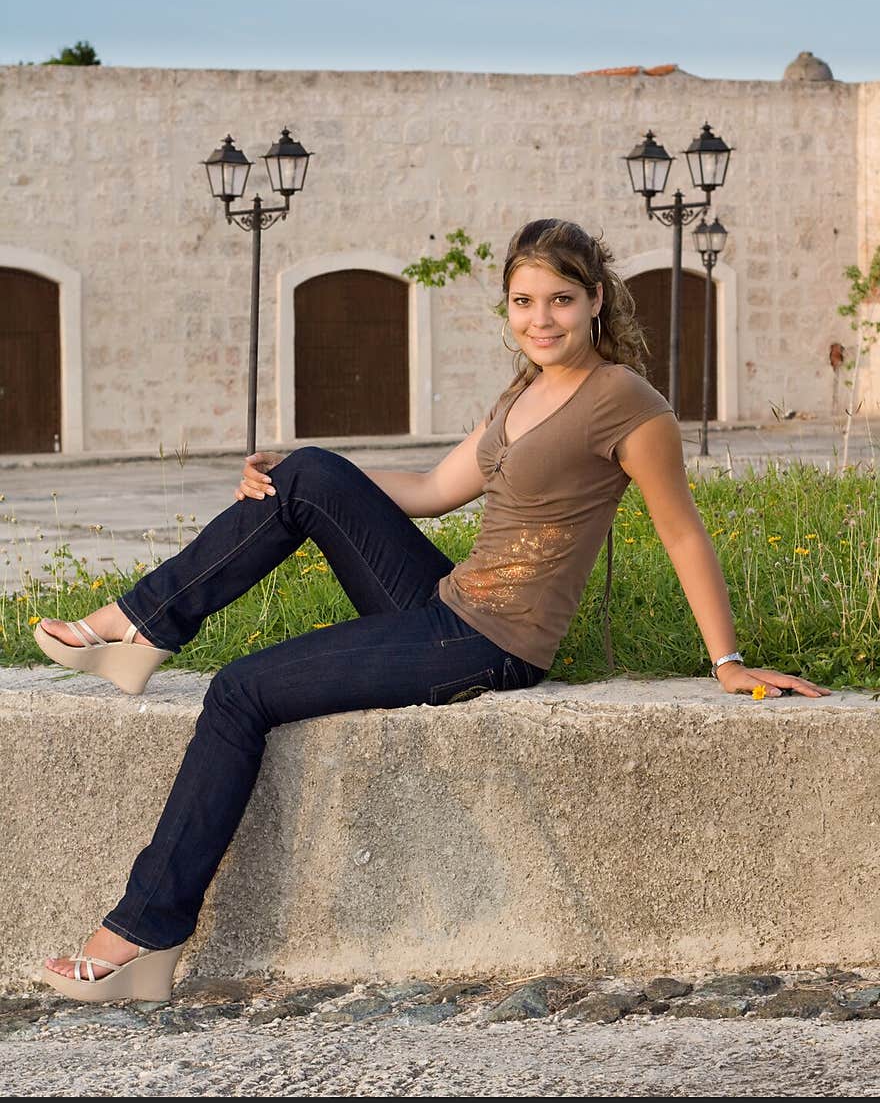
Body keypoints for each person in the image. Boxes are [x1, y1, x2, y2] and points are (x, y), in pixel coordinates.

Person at [37, 219, 830, 1002]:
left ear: (595, 300)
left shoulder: (627, 403)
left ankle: (145, 932)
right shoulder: (523, 390)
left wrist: (725, 663)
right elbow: (428, 492)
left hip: (493, 642)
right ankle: (145, 625)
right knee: (306, 472)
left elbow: (682, 531)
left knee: (240, 691)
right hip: (451, 603)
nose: (539, 319)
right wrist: (296, 470)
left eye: (558, 299)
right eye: (522, 302)